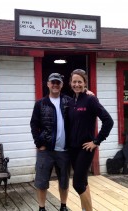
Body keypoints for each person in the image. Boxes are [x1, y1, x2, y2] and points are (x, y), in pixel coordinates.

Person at [66, 69, 114, 211]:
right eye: (74, 82)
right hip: (73, 148)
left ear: (85, 83)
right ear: (70, 83)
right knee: (83, 182)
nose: (77, 84)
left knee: (78, 184)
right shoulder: (71, 101)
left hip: (86, 147)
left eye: (79, 82)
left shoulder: (90, 99)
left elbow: (108, 121)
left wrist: (97, 141)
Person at [30, 73, 71, 211]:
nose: (55, 85)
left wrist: (88, 93)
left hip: (64, 150)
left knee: (64, 181)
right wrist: (38, 143)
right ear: (47, 84)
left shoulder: (69, 102)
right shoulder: (40, 103)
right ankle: (42, 208)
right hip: (45, 150)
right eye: (52, 82)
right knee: (42, 182)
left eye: (58, 82)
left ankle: (63, 206)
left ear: (61, 85)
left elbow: (81, 109)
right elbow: (34, 124)